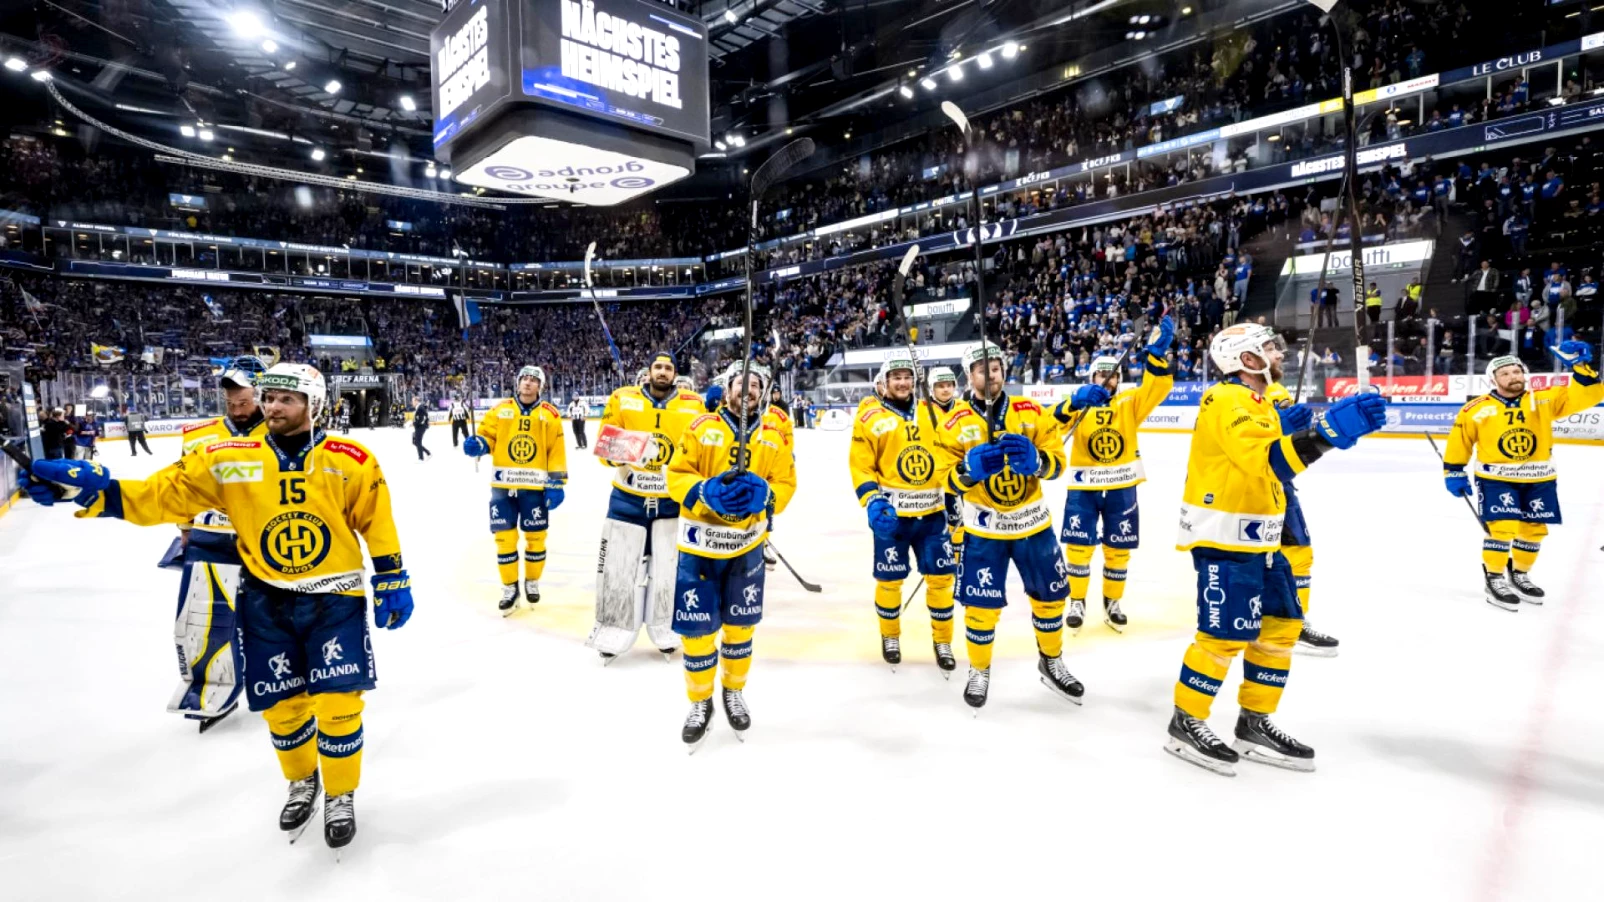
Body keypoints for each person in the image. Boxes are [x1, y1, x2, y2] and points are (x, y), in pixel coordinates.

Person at [20, 362, 414, 853]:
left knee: (338, 706)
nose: (272, 406)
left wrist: (392, 576)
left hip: (335, 597)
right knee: (282, 708)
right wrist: (101, 490)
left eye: (285, 400)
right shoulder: (229, 456)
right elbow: (166, 494)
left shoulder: (350, 458)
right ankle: (301, 782)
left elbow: (376, 520)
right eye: (268, 397)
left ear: (313, 405)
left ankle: (339, 793)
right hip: (266, 596)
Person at [1166, 323, 1387, 776]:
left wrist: (1324, 426)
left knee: (1282, 628)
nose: (1278, 354)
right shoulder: (1226, 399)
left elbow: (1280, 457)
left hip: (1263, 535)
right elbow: (1267, 461)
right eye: (1268, 348)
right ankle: (1186, 722)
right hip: (1224, 535)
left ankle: (1254, 723)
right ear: (1245, 359)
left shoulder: (1261, 401)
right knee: (1224, 636)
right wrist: (1329, 431)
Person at [935, 341, 1080, 712]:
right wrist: (967, 472)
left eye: (996, 367)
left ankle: (1051, 661)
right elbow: (944, 480)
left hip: (1033, 524)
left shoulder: (1030, 411)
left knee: (1050, 599)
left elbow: (1059, 462)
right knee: (980, 608)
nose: (992, 374)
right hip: (984, 531)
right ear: (970, 376)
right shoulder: (954, 423)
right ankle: (979, 669)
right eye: (983, 369)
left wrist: (1038, 463)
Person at [667, 361, 797, 750]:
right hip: (699, 547)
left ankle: (733, 691)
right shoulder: (701, 427)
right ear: (727, 390)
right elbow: (677, 473)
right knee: (697, 630)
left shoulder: (774, 433)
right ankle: (700, 701)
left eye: (755, 384)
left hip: (746, 547)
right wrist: (704, 491)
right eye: (741, 383)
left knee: (740, 628)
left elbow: (786, 480)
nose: (748, 389)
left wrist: (768, 497)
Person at [1442, 345, 1601, 610]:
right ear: (1494, 379)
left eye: (1517, 371)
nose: (1513, 376)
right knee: (1502, 528)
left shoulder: (1544, 399)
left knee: (1533, 531)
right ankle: (1494, 577)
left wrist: (1582, 369)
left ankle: (1519, 574)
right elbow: (1461, 441)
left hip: (1539, 477)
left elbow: (1584, 397)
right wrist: (1454, 471)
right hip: (1496, 478)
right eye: (1505, 373)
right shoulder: (1475, 409)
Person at [162, 365, 270, 732]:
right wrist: (185, 529)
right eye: (230, 402)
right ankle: (217, 690)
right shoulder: (200, 435)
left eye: (243, 402)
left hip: (265, 540)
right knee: (206, 619)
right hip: (211, 538)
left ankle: (286, 678)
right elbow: (184, 486)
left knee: (273, 617)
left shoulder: (280, 430)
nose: (237, 409)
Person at [1053, 317, 1175, 634]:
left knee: (1118, 549)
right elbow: (1052, 426)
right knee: (1079, 548)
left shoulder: (1129, 403)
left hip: (1122, 487)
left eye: (1112, 376)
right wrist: (1074, 402)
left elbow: (1158, 388)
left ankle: (1112, 602)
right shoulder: (1079, 401)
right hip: (1084, 488)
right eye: (1101, 375)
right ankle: (1077, 601)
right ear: (1091, 376)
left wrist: (1156, 358)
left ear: (1119, 379)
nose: (1107, 381)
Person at [586, 352, 706, 660]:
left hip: (671, 501)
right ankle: (613, 626)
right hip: (628, 496)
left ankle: (665, 625)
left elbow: (703, 449)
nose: (663, 372)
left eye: (668, 368)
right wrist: (633, 448)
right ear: (649, 371)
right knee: (618, 564)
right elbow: (603, 444)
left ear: (675, 374)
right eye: (658, 367)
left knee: (669, 567)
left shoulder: (693, 404)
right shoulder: (622, 398)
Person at [849, 354, 959, 673]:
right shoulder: (870, 415)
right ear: (883, 383)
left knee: (941, 579)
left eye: (907, 376)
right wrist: (871, 500)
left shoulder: (932, 411)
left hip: (933, 514)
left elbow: (953, 452)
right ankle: (890, 636)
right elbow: (861, 463)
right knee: (890, 579)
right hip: (892, 516)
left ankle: (942, 641)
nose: (902, 382)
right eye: (896, 376)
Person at [463, 365, 567, 614]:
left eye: (534, 380)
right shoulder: (501, 409)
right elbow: (488, 436)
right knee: (504, 538)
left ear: (540, 386)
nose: (528, 383)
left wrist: (557, 483)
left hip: (534, 489)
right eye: (525, 379)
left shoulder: (550, 415)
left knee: (536, 538)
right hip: (503, 486)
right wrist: (480, 444)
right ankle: (509, 586)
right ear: (518, 382)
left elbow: (556, 451)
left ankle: (532, 581)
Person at [1262, 382, 1340, 657]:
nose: (1278, 354)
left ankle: (1294, 621)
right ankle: (1280, 621)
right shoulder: (1238, 397)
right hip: (1255, 489)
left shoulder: (1275, 387)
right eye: (1270, 349)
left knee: (1299, 555)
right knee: (1265, 557)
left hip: (1283, 488)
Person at [410, 395, 431, 462]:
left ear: (416, 401)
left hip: (421, 427)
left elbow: (422, 419)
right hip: (419, 426)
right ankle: (428, 453)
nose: (412, 402)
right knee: (415, 442)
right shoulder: (419, 407)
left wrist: (413, 423)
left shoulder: (420, 408)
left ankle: (421, 458)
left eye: (413, 401)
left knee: (417, 442)